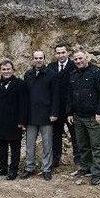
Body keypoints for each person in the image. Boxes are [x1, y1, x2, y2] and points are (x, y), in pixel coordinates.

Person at [67, 49, 100, 186]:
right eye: (76, 59)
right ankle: (85, 167)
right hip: (78, 117)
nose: (78, 61)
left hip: (93, 117)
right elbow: (70, 95)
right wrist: (69, 112)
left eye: (80, 58)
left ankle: (97, 171)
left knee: (96, 145)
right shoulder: (73, 74)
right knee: (83, 145)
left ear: (87, 58)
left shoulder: (96, 72)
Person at [20, 50, 59, 181]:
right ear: (32, 59)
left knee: (47, 144)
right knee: (29, 144)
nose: (38, 60)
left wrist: (54, 112)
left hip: (46, 115)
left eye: (40, 58)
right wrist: (23, 116)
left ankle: (46, 169)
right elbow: (24, 97)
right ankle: (29, 167)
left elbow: (55, 95)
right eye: (36, 58)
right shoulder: (28, 74)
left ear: (44, 59)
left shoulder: (52, 74)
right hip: (31, 115)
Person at [0, 59, 28, 180]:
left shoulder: (20, 84)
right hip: (1, 120)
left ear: (13, 70)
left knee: (15, 147)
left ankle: (13, 170)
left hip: (14, 121)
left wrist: (22, 121)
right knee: (1, 145)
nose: (6, 71)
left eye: (8, 69)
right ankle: (2, 167)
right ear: (0, 71)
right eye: (4, 69)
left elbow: (24, 104)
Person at [47, 44, 79, 167]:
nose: (61, 55)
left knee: (75, 134)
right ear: (55, 54)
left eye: (63, 52)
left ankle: (78, 158)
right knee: (56, 135)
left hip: (71, 107)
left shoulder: (74, 66)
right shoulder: (51, 67)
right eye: (58, 53)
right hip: (56, 108)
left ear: (67, 53)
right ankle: (56, 159)